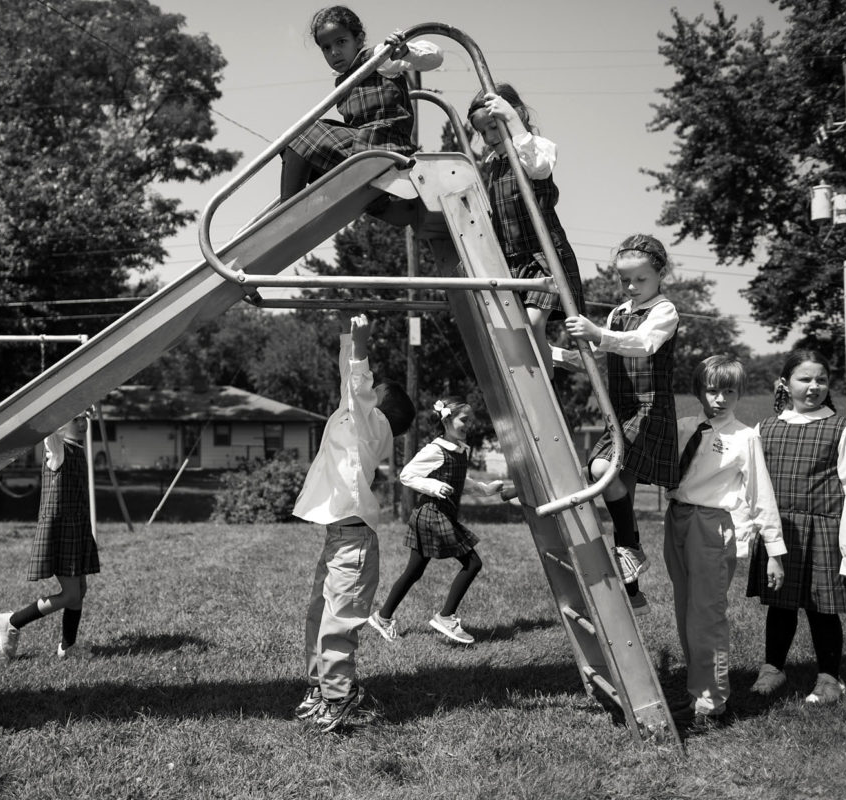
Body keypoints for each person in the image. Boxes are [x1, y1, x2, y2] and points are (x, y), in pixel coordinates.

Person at [292, 313, 416, 733]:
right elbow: (351, 380)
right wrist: (347, 335)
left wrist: (361, 347)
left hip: (354, 541)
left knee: (337, 621)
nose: (365, 387)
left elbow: (357, 385)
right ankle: (319, 687)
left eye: (375, 389)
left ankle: (340, 697)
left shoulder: (371, 422)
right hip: (340, 535)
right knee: (318, 615)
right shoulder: (356, 418)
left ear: (383, 406)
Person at [552, 233, 680, 615]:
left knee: (601, 469)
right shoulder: (617, 312)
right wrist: (552, 352)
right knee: (615, 484)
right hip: (619, 407)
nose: (631, 286)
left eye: (640, 279)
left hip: (649, 406)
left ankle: (632, 554)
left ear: (660, 274)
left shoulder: (664, 311)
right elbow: (592, 354)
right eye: (625, 279)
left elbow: (642, 344)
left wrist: (599, 334)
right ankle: (634, 590)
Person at [745, 350, 846, 704]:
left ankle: (830, 678)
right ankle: (773, 669)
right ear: (785, 384)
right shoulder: (763, 430)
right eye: (805, 379)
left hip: (825, 535)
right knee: (781, 605)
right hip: (781, 533)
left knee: (822, 609)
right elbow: (751, 487)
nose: (814, 386)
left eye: (821, 379)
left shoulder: (843, 430)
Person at [663, 355, 786, 729]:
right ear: (699, 389)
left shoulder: (745, 436)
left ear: (739, 393)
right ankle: (693, 688)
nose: (719, 399)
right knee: (686, 611)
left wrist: (774, 551)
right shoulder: (684, 426)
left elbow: (760, 493)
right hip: (678, 519)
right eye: (712, 390)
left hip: (712, 525)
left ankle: (711, 703)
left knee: (707, 615)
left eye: (728, 391)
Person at [467, 84, 585, 373]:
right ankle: (558, 357)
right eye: (483, 132)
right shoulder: (495, 163)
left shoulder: (532, 151)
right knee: (515, 331)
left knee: (532, 324)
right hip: (513, 261)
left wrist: (514, 122)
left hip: (542, 258)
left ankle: (550, 399)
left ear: (513, 117)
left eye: (494, 126)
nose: (489, 137)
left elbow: (539, 165)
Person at [368, 397, 504, 645]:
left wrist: (486, 490)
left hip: (438, 515)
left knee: (414, 571)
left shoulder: (461, 450)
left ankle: (382, 616)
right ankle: (446, 617)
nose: (468, 425)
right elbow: (406, 475)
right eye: (464, 419)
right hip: (432, 515)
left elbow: (462, 481)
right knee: (473, 563)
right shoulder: (435, 449)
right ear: (447, 420)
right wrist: (432, 485)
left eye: (469, 420)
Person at [280, 6, 443, 201]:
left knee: (302, 135)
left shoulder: (378, 58)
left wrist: (406, 52)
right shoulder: (342, 79)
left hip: (387, 148)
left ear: (358, 40)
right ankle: (307, 204)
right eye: (326, 47)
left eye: (341, 42)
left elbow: (436, 56)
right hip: (361, 148)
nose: (334, 52)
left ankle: (288, 207)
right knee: (293, 147)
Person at [0, 413, 100, 661]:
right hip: (60, 531)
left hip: (75, 528)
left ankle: (68, 646)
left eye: (85, 418)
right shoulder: (57, 449)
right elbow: (48, 420)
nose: (82, 423)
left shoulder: (77, 449)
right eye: (75, 418)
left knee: (79, 589)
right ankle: (11, 620)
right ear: (61, 424)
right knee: (71, 594)